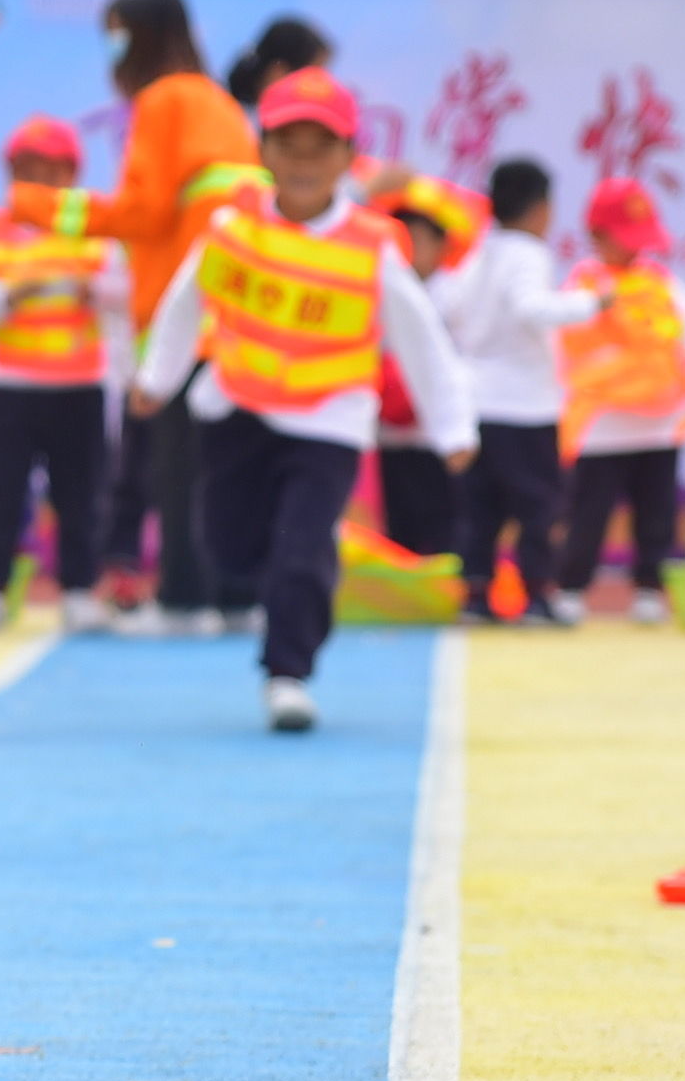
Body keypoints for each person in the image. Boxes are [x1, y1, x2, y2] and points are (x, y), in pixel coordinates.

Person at [131, 66, 471, 734]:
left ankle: (287, 673)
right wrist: (155, 380)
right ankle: (305, 565)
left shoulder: (372, 247)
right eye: (289, 144)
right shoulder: (230, 228)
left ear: (349, 157)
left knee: (299, 548)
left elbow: (421, 339)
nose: (305, 162)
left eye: (323, 146)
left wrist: (452, 426)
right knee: (227, 547)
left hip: (329, 421)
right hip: (239, 410)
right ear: (263, 151)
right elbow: (182, 307)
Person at [78, 0, 267, 636]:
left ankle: (185, 601)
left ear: (142, 33)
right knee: (231, 461)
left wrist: (51, 210)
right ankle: (238, 596)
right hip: (236, 308)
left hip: (181, 311)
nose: (112, 45)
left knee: (180, 464)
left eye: (117, 30)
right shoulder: (219, 103)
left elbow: (143, 210)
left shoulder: (162, 100)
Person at [0, 113, 121, 633]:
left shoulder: (98, 227)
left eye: (53, 170)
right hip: (12, 387)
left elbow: (130, 295)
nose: (42, 182)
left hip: (80, 386)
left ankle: (78, 591)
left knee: (80, 494)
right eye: (29, 170)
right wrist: (12, 293)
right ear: (11, 176)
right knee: (3, 491)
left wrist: (98, 292)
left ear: (72, 175)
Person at [431, 155, 597, 624]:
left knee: (481, 509)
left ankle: (477, 597)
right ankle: (538, 597)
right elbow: (531, 308)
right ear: (540, 208)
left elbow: (450, 307)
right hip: (524, 407)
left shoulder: (480, 252)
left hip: (478, 403)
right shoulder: (527, 253)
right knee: (538, 507)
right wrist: (591, 303)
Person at [553, 176, 685, 623]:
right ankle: (573, 587)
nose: (634, 250)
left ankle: (649, 586)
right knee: (589, 514)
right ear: (595, 236)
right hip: (603, 427)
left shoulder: (663, 284)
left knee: (657, 512)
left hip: (659, 425)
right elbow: (567, 349)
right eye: (624, 239)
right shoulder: (582, 287)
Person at [365, 177, 475, 559]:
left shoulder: (456, 293)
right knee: (400, 521)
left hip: (437, 436)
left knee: (447, 519)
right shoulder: (382, 288)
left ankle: (449, 590)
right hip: (392, 431)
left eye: (419, 239)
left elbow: (461, 360)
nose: (410, 249)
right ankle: (405, 594)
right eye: (402, 239)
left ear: (441, 244)